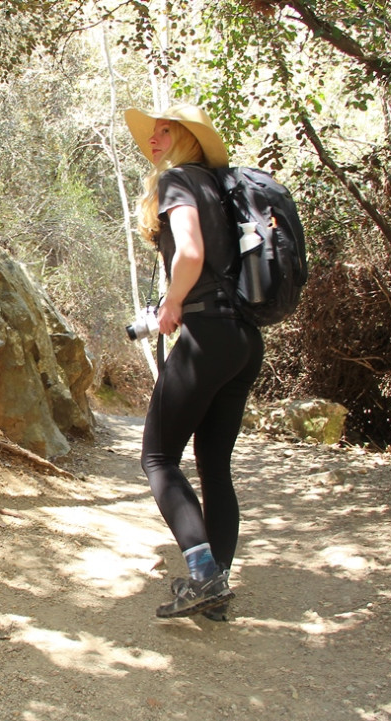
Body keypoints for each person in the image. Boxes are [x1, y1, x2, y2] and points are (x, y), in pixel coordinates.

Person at [123, 103, 264, 620]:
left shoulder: (180, 180)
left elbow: (188, 254)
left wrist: (173, 303)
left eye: (166, 131)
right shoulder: (220, 188)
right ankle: (216, 594)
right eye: (153, 131)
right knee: (214, 465)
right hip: (245, 341)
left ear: (188, 141)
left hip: (208, 334)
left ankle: (204, 575)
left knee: (158, 458)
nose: (154, 138)